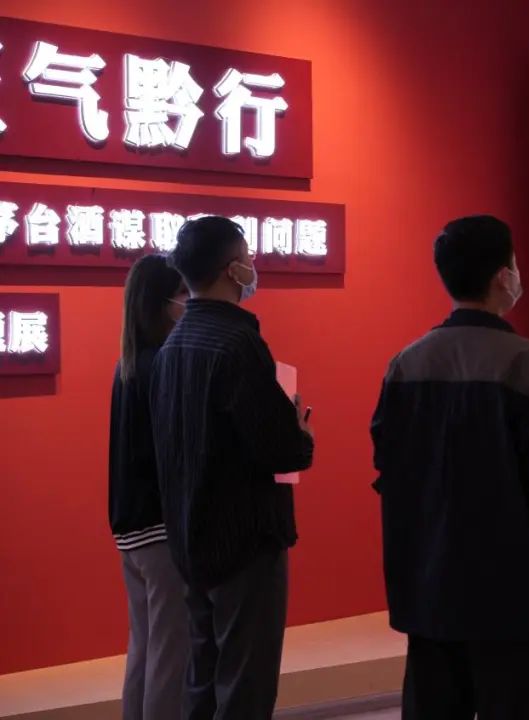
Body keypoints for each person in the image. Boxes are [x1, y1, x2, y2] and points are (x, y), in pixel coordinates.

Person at [371, 215, 529, 720]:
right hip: (510, 591)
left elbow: (390, 470)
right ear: (503, 276)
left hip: (428, 583)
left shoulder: (405, 364)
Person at [150, 216, 314, 719]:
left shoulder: (173, 345)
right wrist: (299, 432)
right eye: (247, 257)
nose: (253, 266)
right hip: (244, 540)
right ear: (231, 270)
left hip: (191, 535)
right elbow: (282, 449)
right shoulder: (238, 343)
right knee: (245, 683)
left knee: (202, 678)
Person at [109, 254, 190, 720]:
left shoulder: (128, 366)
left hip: (130, 528)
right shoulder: (163, 365)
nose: (188, 304)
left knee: (144, 644)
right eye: (183, 295)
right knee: (171, 653)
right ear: (162, 303)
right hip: (160, 527)